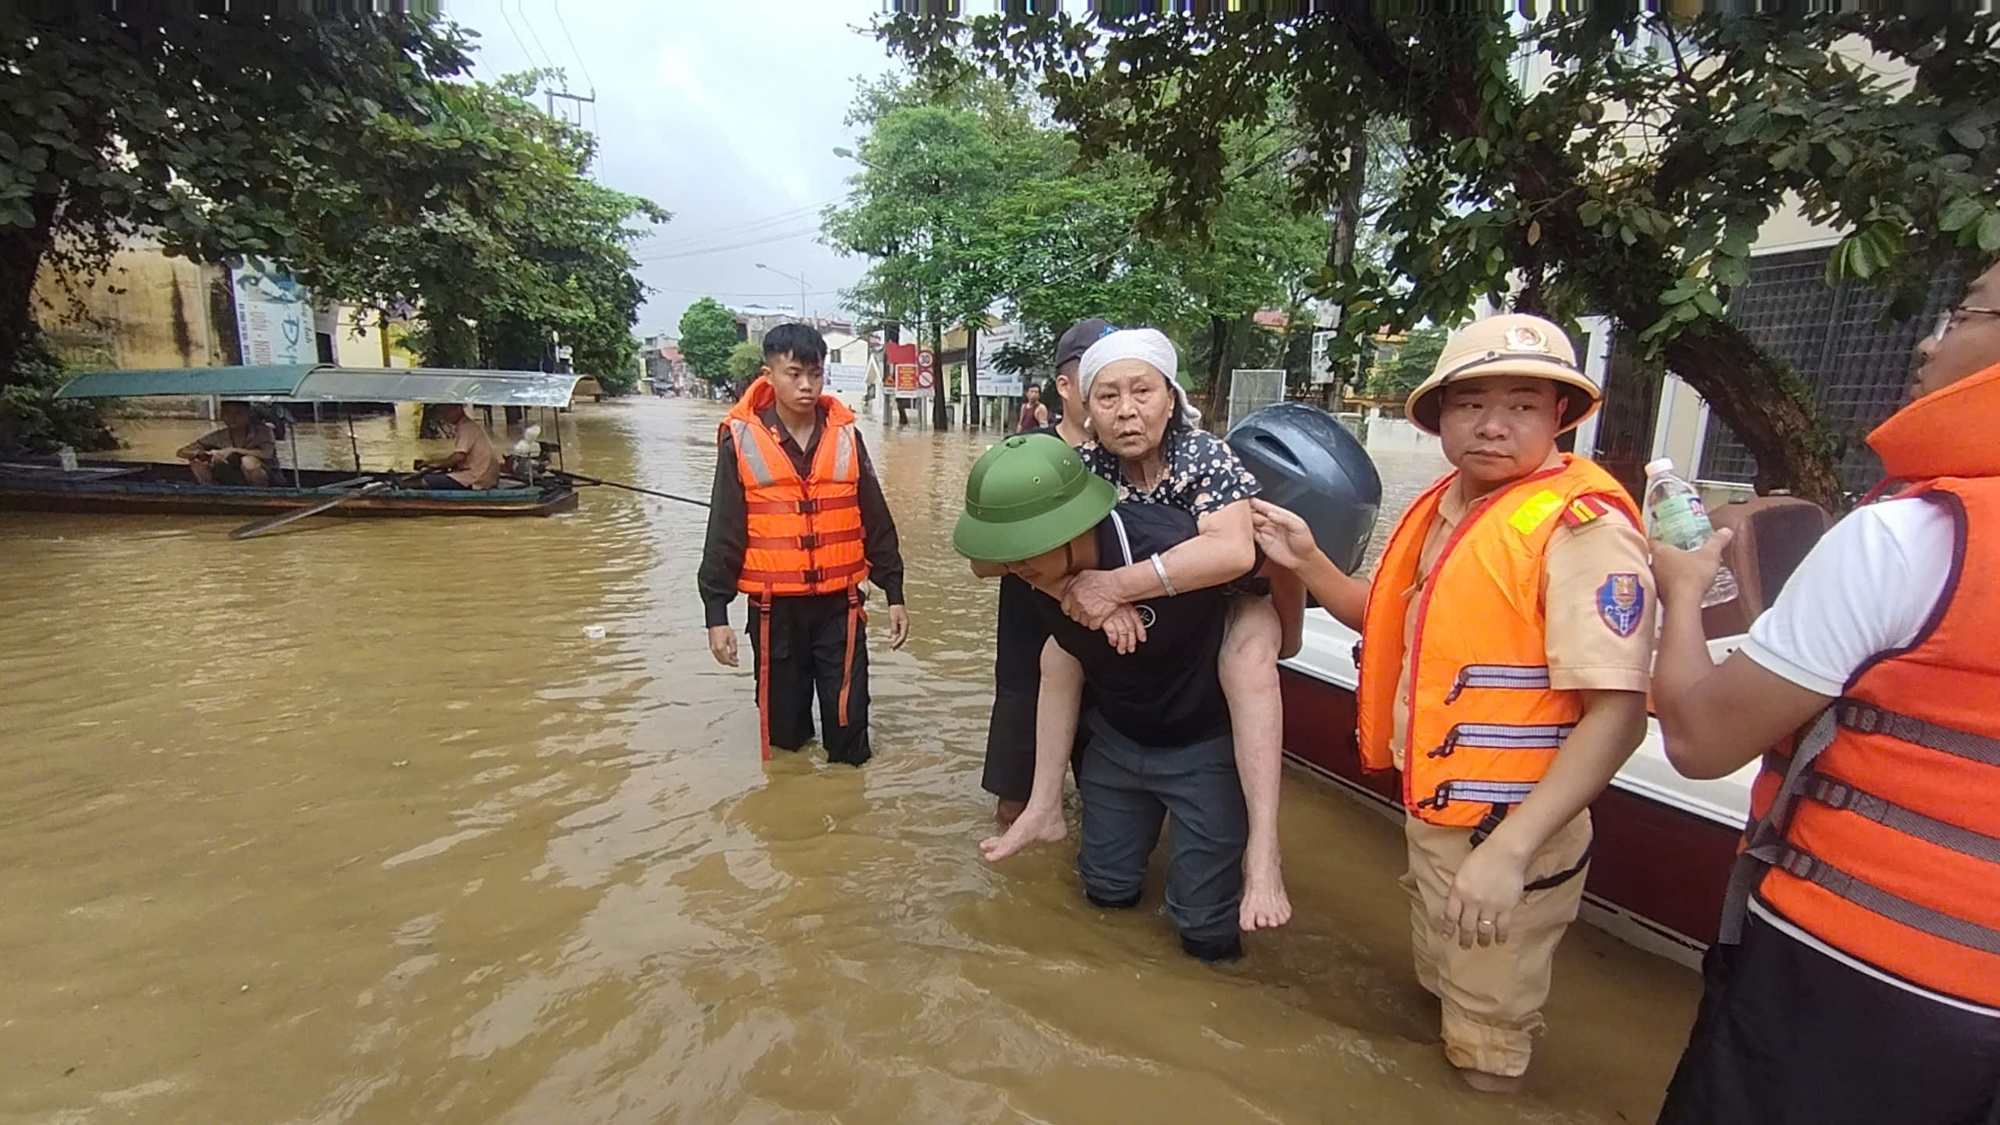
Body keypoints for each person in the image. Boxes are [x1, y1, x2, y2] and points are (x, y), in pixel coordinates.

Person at [1253, 313, 1654, 1091]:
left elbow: (1620, 714)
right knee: (1448, 993)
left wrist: (1508, 854)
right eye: (1471, 404)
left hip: (1511, 832)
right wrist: (1304, 556)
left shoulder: (1581, 530)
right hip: (1442, 816)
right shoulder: (1452, 505)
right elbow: (1393, 618)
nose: (1494, 425)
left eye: (1524, 405)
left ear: (1560, 416)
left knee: (1488, 1042)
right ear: (1440, 415)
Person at [1648, 260, 2000, 1125]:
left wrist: (1684, 590)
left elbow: (1699, 739)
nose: (1925, 341)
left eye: (1957, 316)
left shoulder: (1913, 538)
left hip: (1859, 978)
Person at [980, 327, 1302, 936]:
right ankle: (1045, 801)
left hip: (1230, 604)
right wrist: (1077, 594)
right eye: (1108, 397)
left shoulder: (1204, 453)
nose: (1127, 410)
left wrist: (1117, 588)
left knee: (1251, 654)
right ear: (1084, 407)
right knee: (1058, 650)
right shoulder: (1078, 466)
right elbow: (1010, 553)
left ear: (1171, 397)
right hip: (1132, 629)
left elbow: (1233, 553)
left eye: (1142, 392)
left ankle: (1264, 851)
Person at [958, 433, 1249, 961]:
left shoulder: (1171, 544)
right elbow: (982, 564)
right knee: (1104, 897)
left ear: (1073, 526)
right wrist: (1073, 591)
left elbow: (1265, 567)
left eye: (1023, 550)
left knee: (1207, 933)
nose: (1012, 566)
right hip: (1117, 740)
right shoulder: (1027, 564)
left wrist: (1119, 587)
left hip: (1201, 742)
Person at [698, 323, 910, 766]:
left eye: (815, 374)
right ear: (769, 374)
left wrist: (894, 592)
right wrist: (716, 615)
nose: (806, 385)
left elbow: (874, 515)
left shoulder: (847, 435)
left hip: (841, 605)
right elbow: (725, 529)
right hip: (775, 611)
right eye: (794, 373)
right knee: (785, 737)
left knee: (850, 732)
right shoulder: (739, 440)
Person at [983, 318, 1112, 823]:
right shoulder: (1022, 457)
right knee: (1015, 803)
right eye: (1095, 375)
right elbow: (980, 559)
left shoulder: (1128, 455)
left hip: (1109, 658)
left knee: (1110, 804)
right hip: (1027, 652)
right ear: (1065, 385)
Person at [179, 400, 279, 486]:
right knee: (196, 462)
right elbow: (182, 451)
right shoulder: (219, 436)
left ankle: (259, 496)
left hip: (269, 479)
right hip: (233, 477)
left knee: (248, 461)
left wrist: (233, 450)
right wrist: (203, 454)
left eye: (238, 413)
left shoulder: (263, 432)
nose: (232, 418)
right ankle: (211, 492)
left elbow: (267, 454)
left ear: (247, 414)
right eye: (227, 414)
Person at [414, 403, 502, 490]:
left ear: (458, 410)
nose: (445, 416)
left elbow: (459, 456)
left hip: (476, 478)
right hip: (481, 475)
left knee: (426, 480)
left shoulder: (466, 428)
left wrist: (436, 464)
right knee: (438, 474)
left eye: (447, 412)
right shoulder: (467, 426)